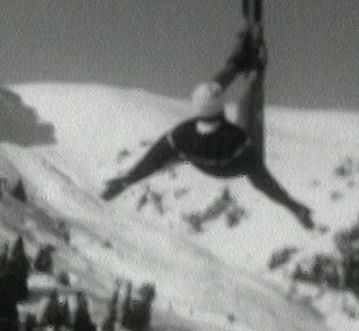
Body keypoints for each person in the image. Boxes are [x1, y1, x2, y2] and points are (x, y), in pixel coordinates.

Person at [101, 27, 314, 229]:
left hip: (202, 158)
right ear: (222, 110)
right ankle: (249, 67)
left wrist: (125, 181)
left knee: (209, 93)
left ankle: (238, 63)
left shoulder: (183, 133)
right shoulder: (236, 139)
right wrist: (292, 206)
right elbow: (262, 180)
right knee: (249, 98)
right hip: (236, 162)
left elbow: (153, 160)